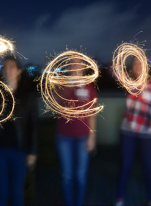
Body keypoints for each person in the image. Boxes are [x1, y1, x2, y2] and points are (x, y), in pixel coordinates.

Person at [0, 56, 38, 206]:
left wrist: (32, 151)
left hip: (18, 151)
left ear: (19, 71)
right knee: (1, 193)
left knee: (16, 192)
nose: (8, 70)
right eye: (5, 67)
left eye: (12, 67)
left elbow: (32, 125)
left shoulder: (28, 96)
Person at [116, 57, 151, 206]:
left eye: (141, 63)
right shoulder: (129, 83)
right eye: (135, 63)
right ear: (132, 67)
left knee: (149, 168)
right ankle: (119, 199)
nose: (138, 66)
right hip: (128, 132)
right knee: (125, 166)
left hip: (148, 133)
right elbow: (114, 75)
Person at [55, 58, 97, 206]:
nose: (75, 67)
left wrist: (92, 138)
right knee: (66, 175)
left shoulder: (90, 87)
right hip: (63, 136)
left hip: (83, 137)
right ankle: (68, 202)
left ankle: (78, 203)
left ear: (83, 67)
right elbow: (56, 103)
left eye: (78, 64)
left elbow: (92, 114)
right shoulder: (62, 85)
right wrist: (69, 86)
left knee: (80, 175)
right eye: (72, 64)